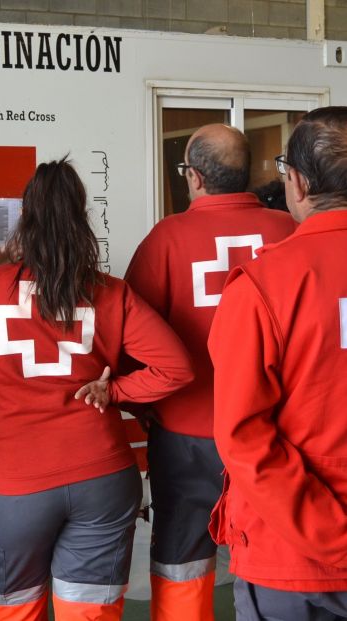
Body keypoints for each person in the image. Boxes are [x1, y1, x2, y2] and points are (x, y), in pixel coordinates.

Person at [0, 158, 195, 621]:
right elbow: (176, 369)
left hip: (16, 487)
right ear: (80, 216)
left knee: (14, 611)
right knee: (89, 613)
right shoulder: (110, 291)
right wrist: (116, 391)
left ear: (27, 217)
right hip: (101, 478)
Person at [124, 124, 297, 621]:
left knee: (183, 553)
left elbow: (132, 339)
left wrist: (146, 407)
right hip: (276, 431)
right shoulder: (288, 232)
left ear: (194, 177)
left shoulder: (166, 239)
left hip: (186, 433)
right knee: (274, 549)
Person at [208, 106, 347, 620]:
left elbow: (243, 435)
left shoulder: (264, 287)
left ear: (298, 183)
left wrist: (331, 537)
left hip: (293, 560)